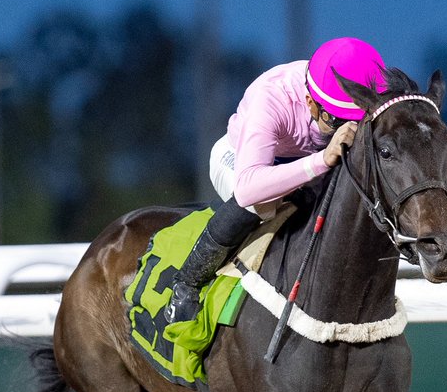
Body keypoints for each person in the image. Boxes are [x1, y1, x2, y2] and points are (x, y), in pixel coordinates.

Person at [164, 36, 386, 324]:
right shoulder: (270, 97)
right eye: (336, 121)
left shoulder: (348, 91)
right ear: (310, 102)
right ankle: (187, 284)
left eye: (354, 121)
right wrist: (321, 161)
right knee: (263, 203)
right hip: (240, 162)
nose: (342, 131)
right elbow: (247, 189)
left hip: (302, 168)